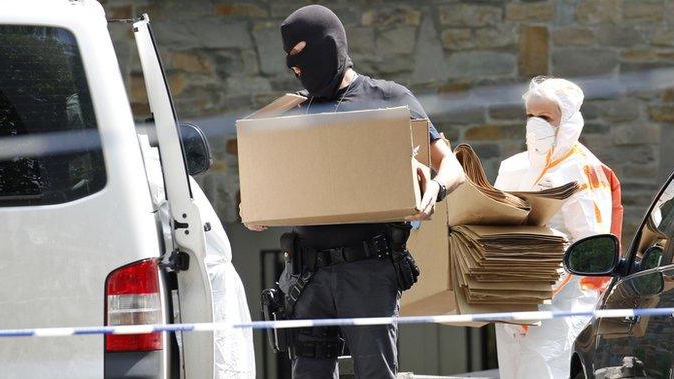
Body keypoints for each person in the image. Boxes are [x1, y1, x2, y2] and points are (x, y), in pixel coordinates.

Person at [246, 5, 465, 379]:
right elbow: (259, 185)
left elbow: (452, 166)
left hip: (368, 270)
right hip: (305, 275)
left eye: (301, 53)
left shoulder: (389, 98)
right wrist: (253, 206)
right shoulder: (292, 112)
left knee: (376, 374)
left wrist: (436, 190)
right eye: (290, 60)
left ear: (329, 44)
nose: (296, 67)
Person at [493, 77, 615, 379]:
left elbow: (592, 245)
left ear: (568, 121)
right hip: (512, 299)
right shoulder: (512, 167)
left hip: (564, 302)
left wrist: (545, 283)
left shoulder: (584, 170)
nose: (535, 124)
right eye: (530, 116)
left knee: (544, 370)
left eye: (545, 117)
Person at [140, 141, 256, 378]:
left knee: (219, 362)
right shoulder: (152, 165)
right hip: (194, 278)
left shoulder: (147, 166)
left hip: (203, 280)